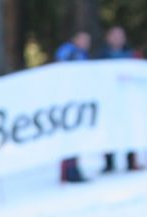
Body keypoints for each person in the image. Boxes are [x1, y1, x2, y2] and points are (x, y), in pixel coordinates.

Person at [97, 26, 143, 174]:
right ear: (108, 38)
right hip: (109, 99)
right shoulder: (102, 56)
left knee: (130, 126)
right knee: (109, 128)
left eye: (120, 36)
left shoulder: (131, 54)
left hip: (127, 98)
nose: (118, 39)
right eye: (114, 36)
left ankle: (131, 159)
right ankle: (109, 161)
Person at [55, 31, 91, 183]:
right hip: (66, 100)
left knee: (76, 135)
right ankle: (67, 171)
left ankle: (74, 168)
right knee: (68, 135)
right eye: (83, 40)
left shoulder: (82, 54)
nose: (85, 43)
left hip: (78, 99)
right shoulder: (68, 51)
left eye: (87, 40)